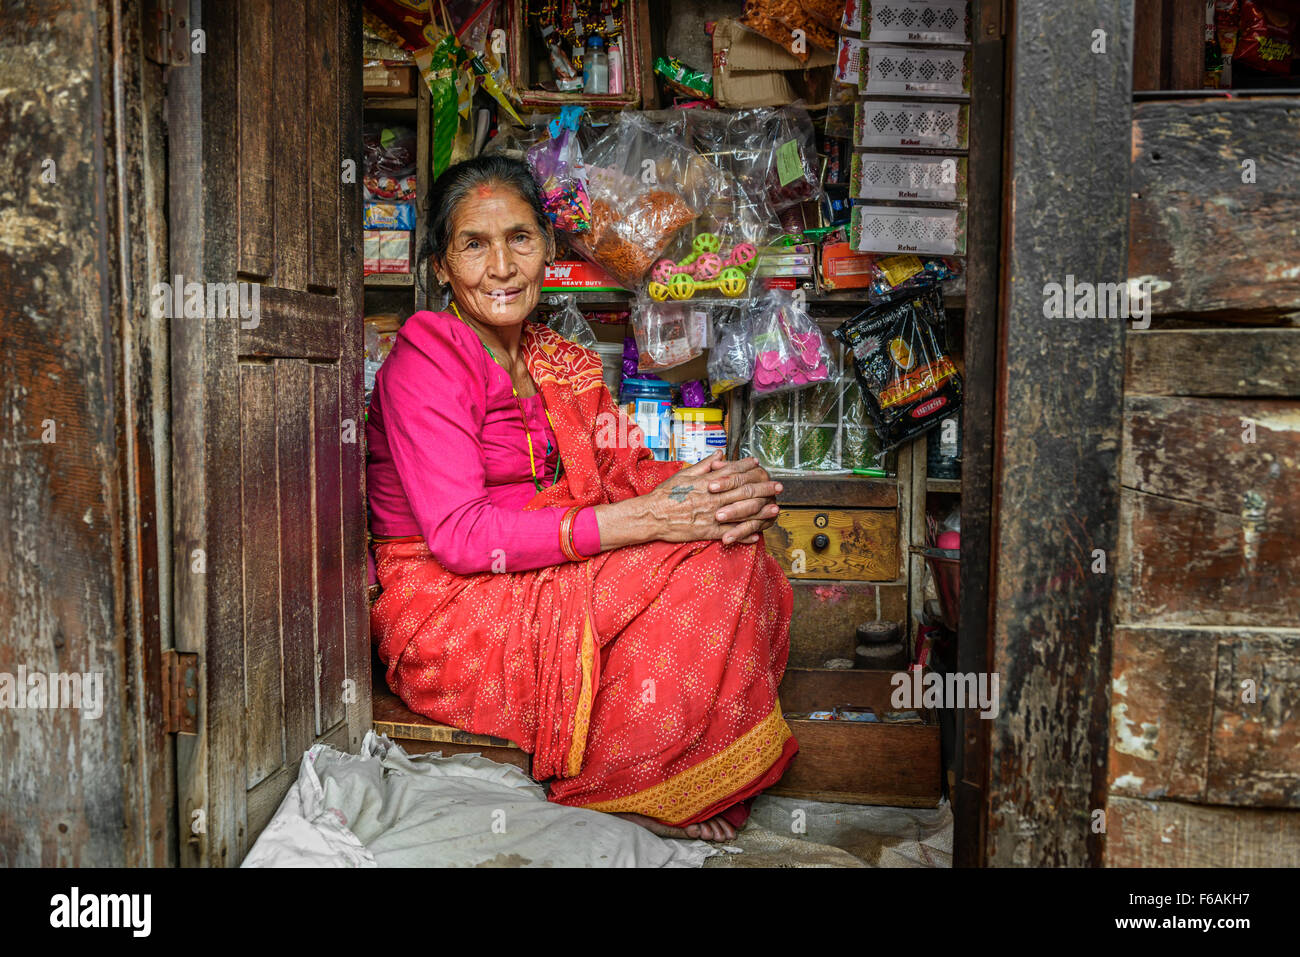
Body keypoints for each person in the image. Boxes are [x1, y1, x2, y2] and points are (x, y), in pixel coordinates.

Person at [366, 154, 797, 842]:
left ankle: (665, 765)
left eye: (520, 239)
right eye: (474, 245)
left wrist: (713, 489)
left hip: (546, 566)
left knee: (737, 541)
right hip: (452, 598)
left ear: (546, 248)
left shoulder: (557, 358)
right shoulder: (429, 354)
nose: (501, 266)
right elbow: (462, 536)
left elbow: (625, 466)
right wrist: (644, 520)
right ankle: (626, 786)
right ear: (442, 267)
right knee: (712, 567)